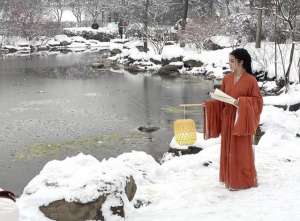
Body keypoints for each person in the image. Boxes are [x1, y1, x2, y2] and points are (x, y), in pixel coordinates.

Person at [203, 48, 263, 191]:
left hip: (241, 120)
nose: (229, 64)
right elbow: (222, 100)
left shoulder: (251, 80)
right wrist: (211, 102)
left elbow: (258, 102)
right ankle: (230, 178)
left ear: (240, 62)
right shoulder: (227, 79)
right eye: (229, 61)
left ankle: (243, 180)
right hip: (227, 119)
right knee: (228, 149)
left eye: (232, 61)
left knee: (241, 150)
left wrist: (241, 102)